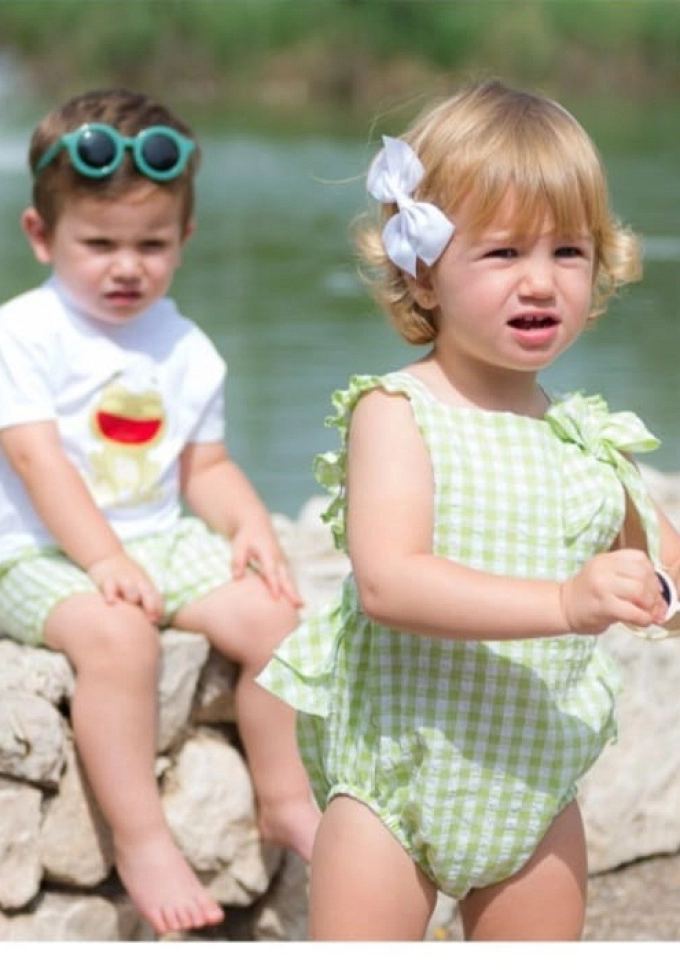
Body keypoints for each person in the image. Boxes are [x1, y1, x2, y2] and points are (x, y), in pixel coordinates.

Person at [257, 77, 680, 941]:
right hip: (397, 790)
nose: (541, 282)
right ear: (422, 267)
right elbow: (391, 583)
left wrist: (656, 592)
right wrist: (566, 603)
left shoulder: (589, 439)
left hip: (535, 790)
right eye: (502, 254)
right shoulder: (399, 413)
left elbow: (667, 577)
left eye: (568, 251)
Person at [0, 88, 320, 936]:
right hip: (32, 550)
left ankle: (284, 796)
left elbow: (205, 466)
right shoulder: (24, 334)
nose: (126, 266)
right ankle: (142, 840)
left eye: (151, 243)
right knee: (119, 638)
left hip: (155, 537)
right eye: (98, 243)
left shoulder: (184, 346)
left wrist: (247, 523)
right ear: (43, 237)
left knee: (277, 617)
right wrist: (104, 562)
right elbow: (36, 461)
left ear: (185, 240)